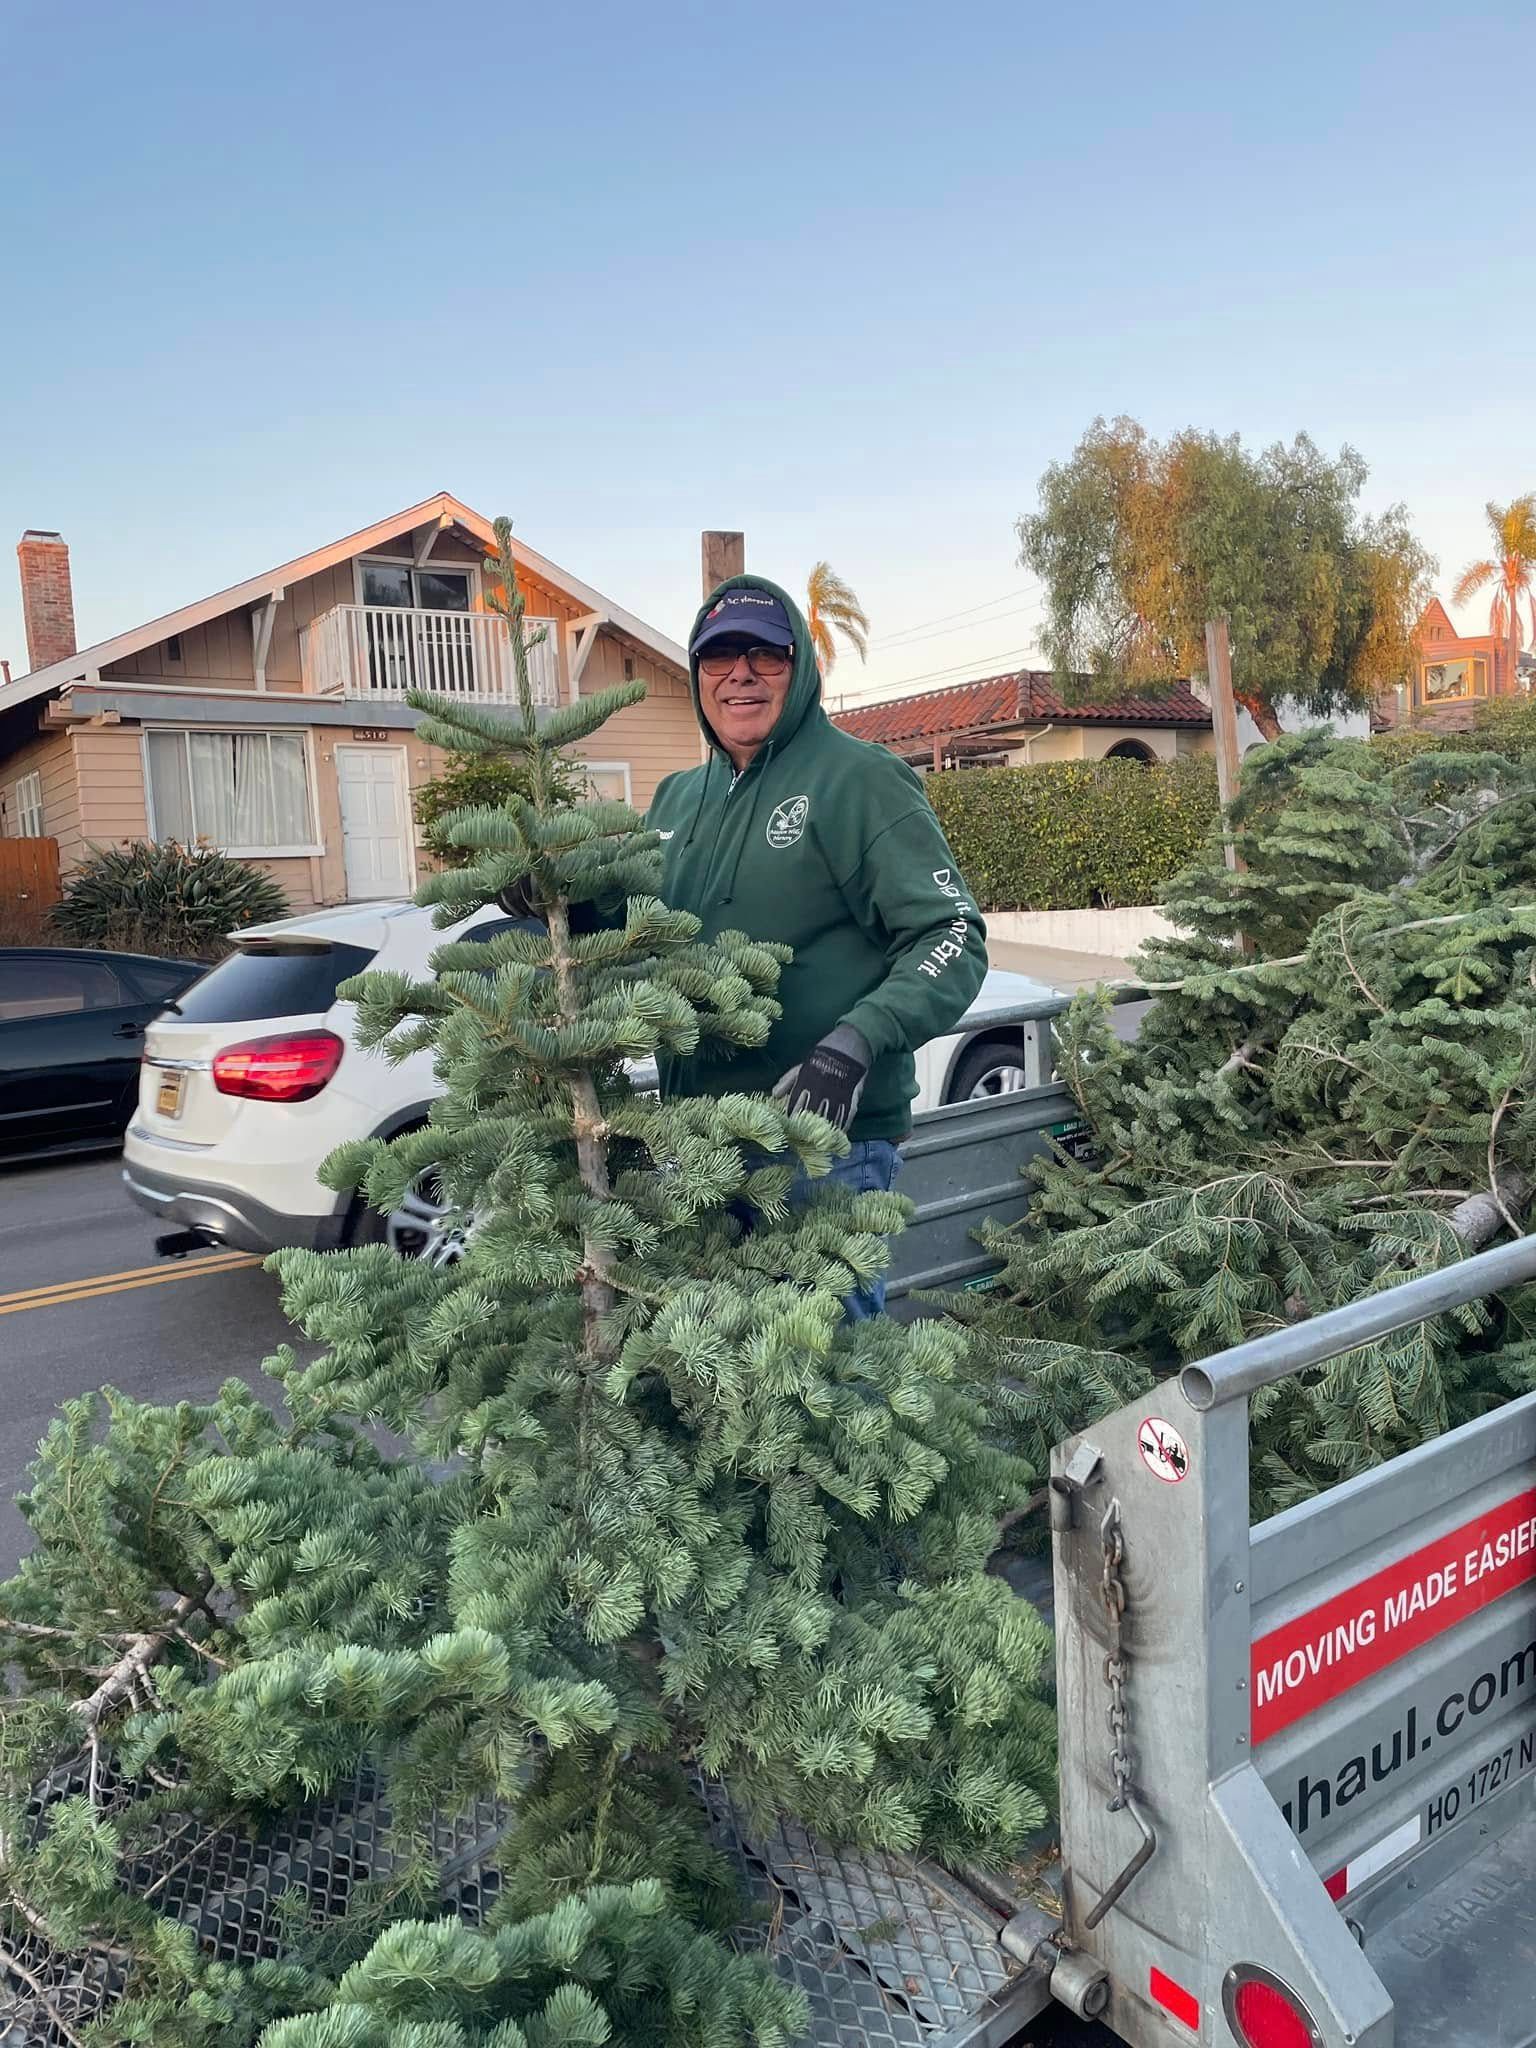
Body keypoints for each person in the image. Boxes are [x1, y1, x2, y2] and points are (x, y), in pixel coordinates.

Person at [647, 576, 989, 1315]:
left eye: (764, 655)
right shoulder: (677, 798)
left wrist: (855, 1044)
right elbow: (633, 927)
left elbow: (952, 934)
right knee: (706, 1384)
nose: (740, 673)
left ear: (798, 668)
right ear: (697, 673)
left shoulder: (859, 782)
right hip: (694, 1150)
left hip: (820, 1148)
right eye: (719, 656)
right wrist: (554, 904)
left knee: (819, 1388)